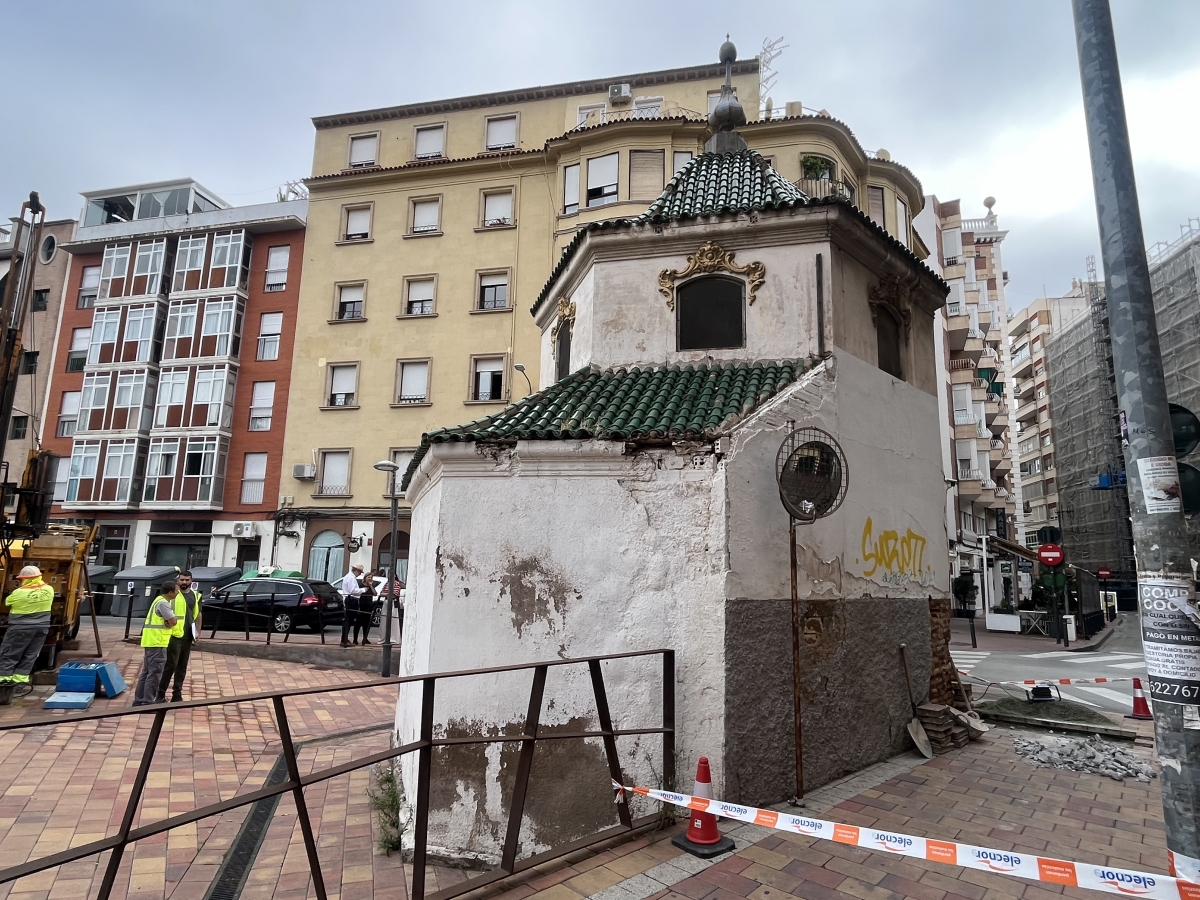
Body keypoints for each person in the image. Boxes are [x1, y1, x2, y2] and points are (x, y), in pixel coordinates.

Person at [0, 566, 56, 689]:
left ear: (25, 579)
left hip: (21, 628)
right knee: (30, 655)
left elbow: (7, 602)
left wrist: (19, 588)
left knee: (10, 654)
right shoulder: (49, 589)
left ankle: (4, 682)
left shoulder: (19, 592)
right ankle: (19, 684)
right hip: (41, 629)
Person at [157, 570, 202, 703]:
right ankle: (160, 693)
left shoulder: (195, 596)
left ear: (191, 581)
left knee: (182, 666)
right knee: (170, 665)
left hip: (188, 635)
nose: (184, 582)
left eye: (187, 580)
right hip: (173, 635)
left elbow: (198, 614)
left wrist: (198, 632)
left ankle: (177, 694)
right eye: (182, 580)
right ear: (178, 580)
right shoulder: (172, 595)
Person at [133, 583, 180, 706]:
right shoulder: (164, 603)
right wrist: (170, 623)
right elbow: (173, 621)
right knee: (154, 673)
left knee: (146, 672)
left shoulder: (157, 600)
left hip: (150, 641)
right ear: (170, 592)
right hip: (158, 642)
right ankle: (148, 702)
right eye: (176, 590)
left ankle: (139, 700)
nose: (178, 593)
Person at [340, 563, 365, 647]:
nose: (360, 574)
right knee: (348, 620)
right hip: (351, 599)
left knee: (348, 620)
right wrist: (363, 590)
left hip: (350, 599)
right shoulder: (351, 578)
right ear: (357, 570)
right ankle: (344, 640)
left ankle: (344, 639)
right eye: (360, 572)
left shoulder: (349, 577)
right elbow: (352, 590)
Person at [356, 571, 378, 645]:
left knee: (367, 623)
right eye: (369, 577)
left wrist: (371, 586)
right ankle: (355, 639)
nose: (370, 578)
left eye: (371, 577)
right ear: (365, 578)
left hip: (368, 606)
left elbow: (375, 594)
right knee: (358, 623)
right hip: (361, 606)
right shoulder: (360, 585)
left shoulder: (372, 585)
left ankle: (365, 638)